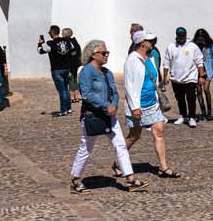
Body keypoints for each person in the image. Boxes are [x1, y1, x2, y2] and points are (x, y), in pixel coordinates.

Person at [70, 39, 146, 193]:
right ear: (93, 54)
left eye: (107, 53)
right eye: (103, 53)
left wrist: (114, 105)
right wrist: (105, 106)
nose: (106, 56)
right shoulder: (86, 71)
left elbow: (115, 92)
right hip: (93, 116)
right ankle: (76, 179)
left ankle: (130, 178)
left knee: (120, 145)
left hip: (109, 117)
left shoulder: (107, 73)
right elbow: (87, 94)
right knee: (86, 147)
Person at [122, 32, 179, 177]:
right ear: (141, 42)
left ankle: (163, 167)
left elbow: (153, 78)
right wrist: (135, 107)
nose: (153, 42)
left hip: (152, 103)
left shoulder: (151, 57)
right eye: (150, 40)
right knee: (134, 136)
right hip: (138, 105)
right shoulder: (132, 60)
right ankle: (118, 162)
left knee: (159, 131)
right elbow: (129, 85)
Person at [164, 27, 206, 128]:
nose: (181, 38)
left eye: (183, 36)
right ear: (176, 36)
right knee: (180, 99)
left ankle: (192, 117)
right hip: (176, 79)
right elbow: (166, 62)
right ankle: (183, 115)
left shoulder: (193, 47)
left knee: (191, 98)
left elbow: (199, 62)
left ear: (186, 35)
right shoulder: (171, 47)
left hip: (190, 78)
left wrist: (201, 76)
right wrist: (166, 76)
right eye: (179, 36)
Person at [38, 25, 80, 116]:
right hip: (67, 68)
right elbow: (73, 52)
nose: (49, 33)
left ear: (52, 33)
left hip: (57, 69)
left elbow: (40, 51)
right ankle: (68, 109)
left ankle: (63, 110)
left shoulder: (50, 43)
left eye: (49, 32)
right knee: (66, 89)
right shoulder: (67, 42)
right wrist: (68, 59)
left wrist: (40, 43)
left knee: (62, 90)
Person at [193, 28, 213, 121]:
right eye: (199, 38)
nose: (200, 40)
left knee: (206, 89)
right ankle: (203, 111)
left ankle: (209, 111)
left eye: (202, 38)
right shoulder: (193, 46)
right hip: (196, 71)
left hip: (208, 70)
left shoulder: (211, 46)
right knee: (199, 91)